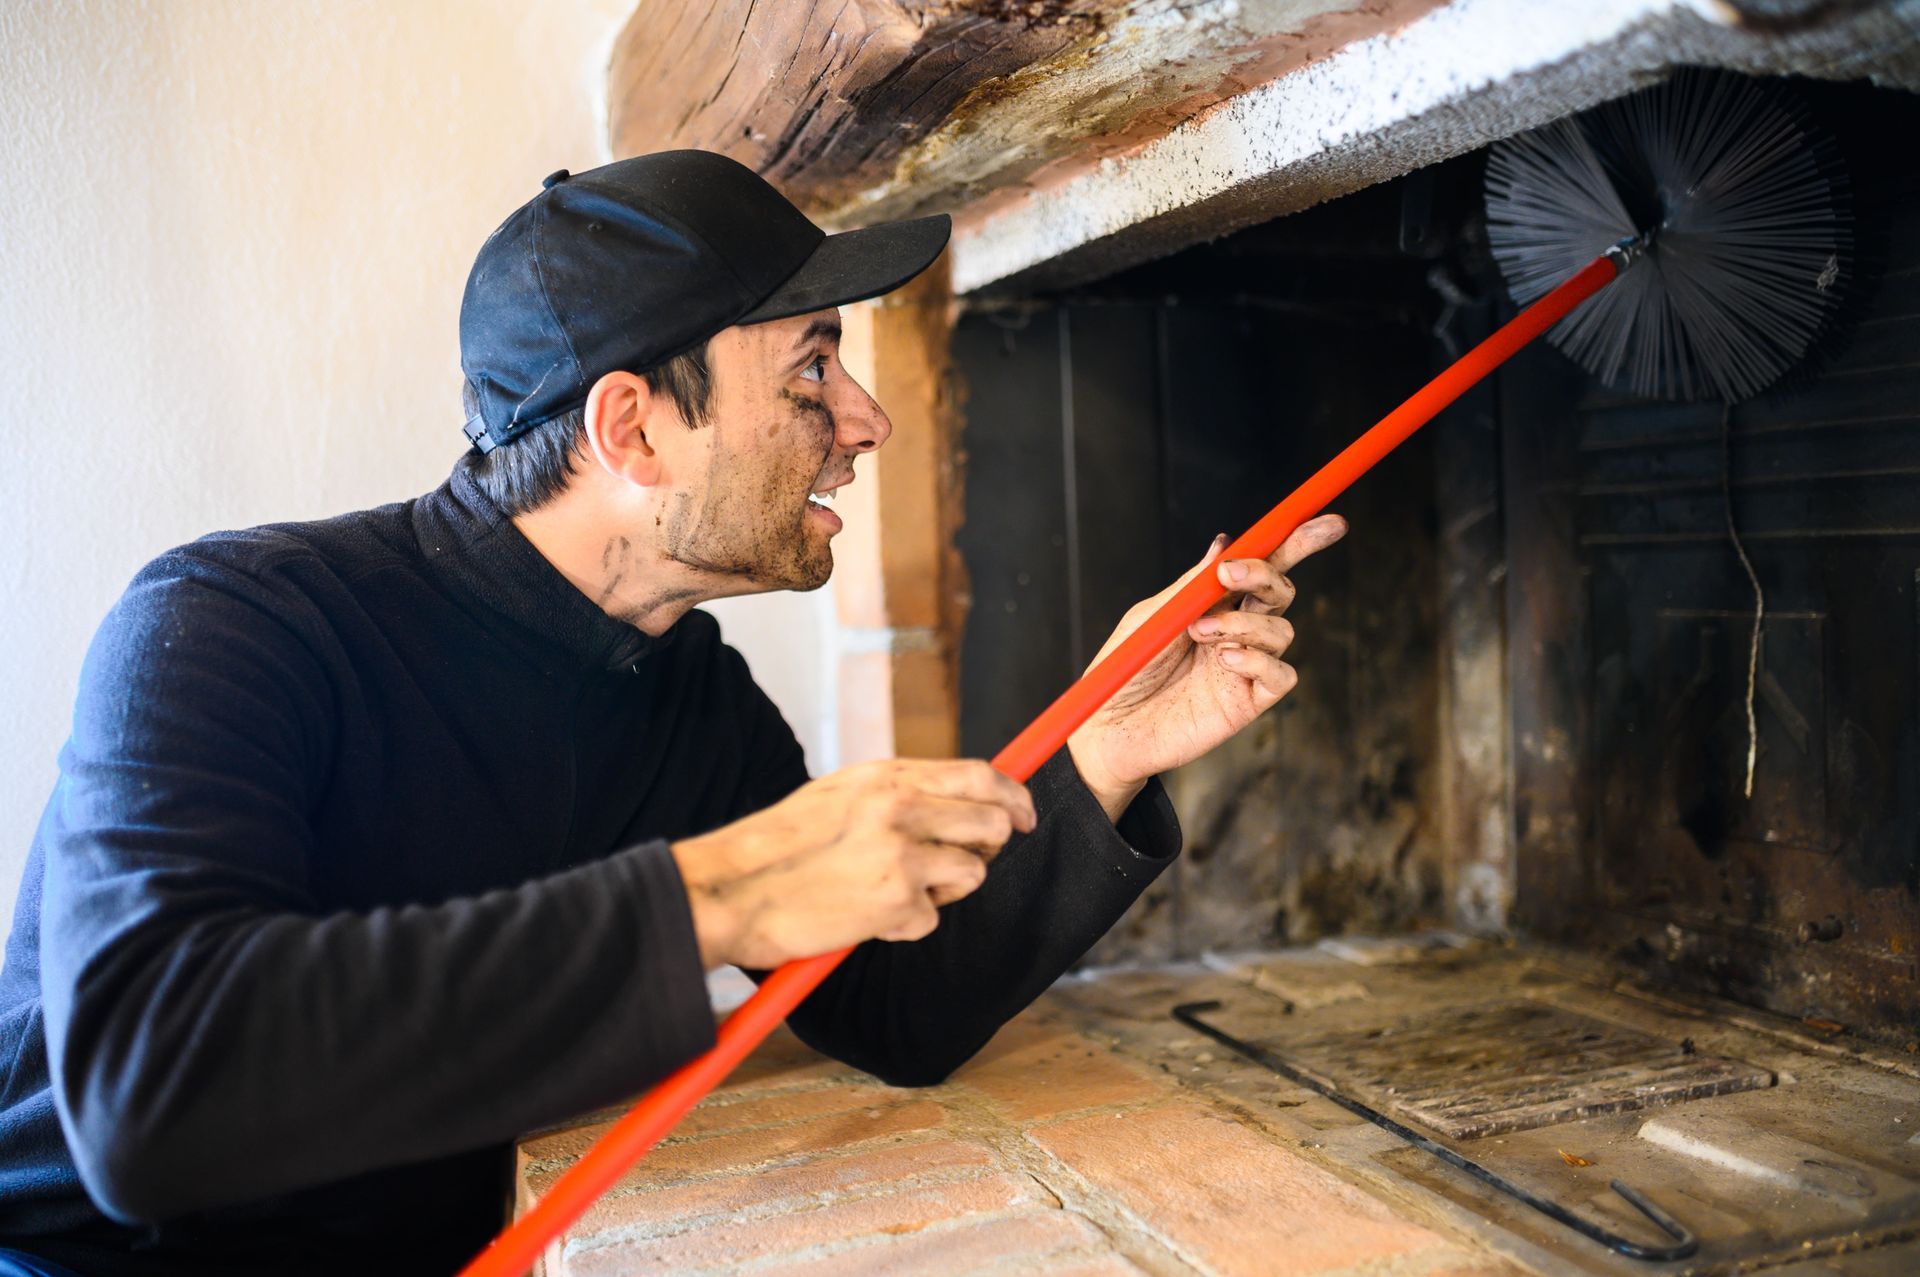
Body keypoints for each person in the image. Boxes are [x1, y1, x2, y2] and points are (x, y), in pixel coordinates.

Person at [0, 151, 1345, 1275]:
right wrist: (722, 888)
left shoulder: (687, 693)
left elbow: (889, 1003)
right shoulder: (231, 624)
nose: (865, 418)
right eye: (812, 370)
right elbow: (149, 1089)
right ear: (634, 431)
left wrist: (1104, 748)